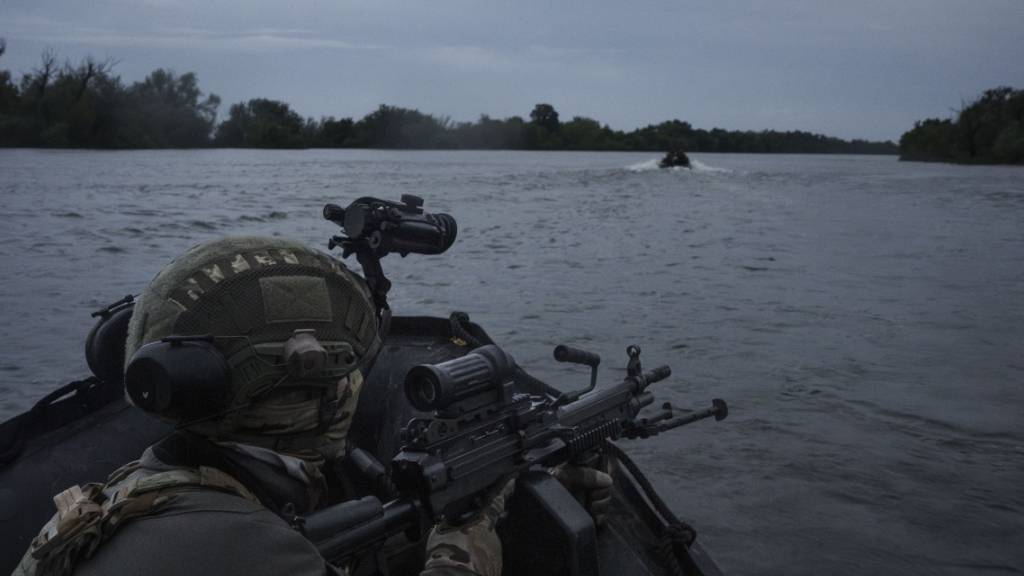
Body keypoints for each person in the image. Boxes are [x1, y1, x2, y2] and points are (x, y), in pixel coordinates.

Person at [12, 236, 610, 576]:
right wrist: (462, 545)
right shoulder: (249, 547)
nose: (354, 384)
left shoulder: (137, 490)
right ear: (313, 386)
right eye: (347, 367)